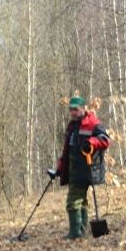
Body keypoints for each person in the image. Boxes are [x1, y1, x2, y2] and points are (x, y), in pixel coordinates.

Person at [54, 94, 110, 239]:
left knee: (72, 201)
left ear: (84, 108)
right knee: (82, 201)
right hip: (73, 169)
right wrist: (60, 167)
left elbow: (104, 140)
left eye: (76, 109)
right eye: (71, 109)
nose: (73, 112)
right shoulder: (72, 126)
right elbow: (67, 149)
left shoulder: (93, 123)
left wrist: (92, 142)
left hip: (86, 169)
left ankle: (75, 233)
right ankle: (82, 230)